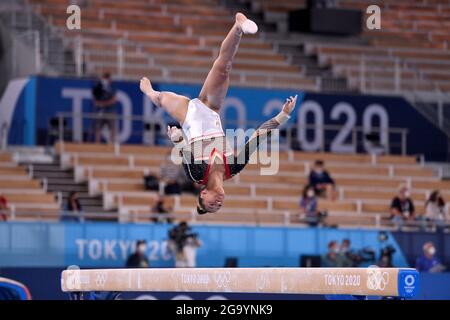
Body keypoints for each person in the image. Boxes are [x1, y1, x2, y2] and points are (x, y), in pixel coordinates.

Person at [140, 12, 298, 215]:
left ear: (203, 194)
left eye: (212, 204)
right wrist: (282, 116)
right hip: (211, 109)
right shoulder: (234, 167)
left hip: (187, 115)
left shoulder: (197, 175)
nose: (218, 202)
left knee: (159, 99)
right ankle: (239, 26)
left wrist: (177, 138)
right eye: (219, 206)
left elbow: (185, 152)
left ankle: (149, 91)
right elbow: (257, 138)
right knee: (224, 68)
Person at [92, 72, 117, 143]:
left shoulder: (112, 87)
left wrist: (103, 104)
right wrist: (101, 104)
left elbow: (114, 100)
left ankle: (111, 143)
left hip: (110, 111)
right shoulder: (98, 87)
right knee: (98, 127)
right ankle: (97, 143)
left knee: (112, 127)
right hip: (100, 111)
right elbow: (95, 101)